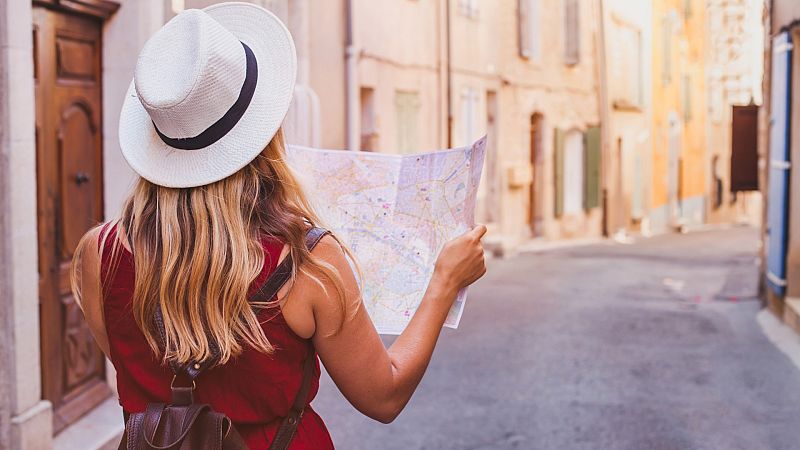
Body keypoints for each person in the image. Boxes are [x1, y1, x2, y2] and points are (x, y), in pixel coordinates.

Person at [70, 3, 487, 449]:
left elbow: (141, 371)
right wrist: (444, 283)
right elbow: (382, 396)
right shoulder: (306, 260)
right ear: (266, 133)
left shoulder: (99, 252)